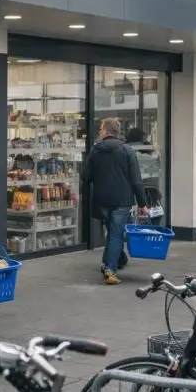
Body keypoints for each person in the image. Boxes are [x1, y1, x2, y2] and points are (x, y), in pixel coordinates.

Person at [81, 118, 148, 286]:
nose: (99, 132)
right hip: (122, 200)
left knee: (112, 232)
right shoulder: (127, 150)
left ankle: (114, 260)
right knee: (116, 235)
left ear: (105, 131)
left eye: (101, 129)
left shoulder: (95, 151)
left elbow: (86, 176)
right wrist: (142, 203)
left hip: (102, 199)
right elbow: (136, 180)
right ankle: (110, 269)